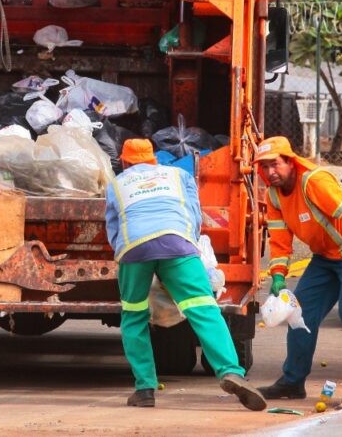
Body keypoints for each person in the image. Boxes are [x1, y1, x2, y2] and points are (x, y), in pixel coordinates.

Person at [105, 138, 266, 411]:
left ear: (124, 162)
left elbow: (113, 227)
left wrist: (126, 253)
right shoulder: (178, 174)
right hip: (177, 242)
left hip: (135, 247)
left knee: (134, 316)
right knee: (204, 309)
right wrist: (186, 247)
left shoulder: (117, 183)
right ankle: (230, 371)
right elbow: (193, 215)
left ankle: (144, 389)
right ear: (154, 160)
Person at [253, 136, 342, 403]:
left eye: (275, 164)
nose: (270, 172)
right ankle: (293, 382)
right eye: (264, 167)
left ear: (290, 162)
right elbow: (279, 242)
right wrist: (277, 276)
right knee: (298, 313)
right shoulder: (274, 195)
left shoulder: (315, 182)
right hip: (325, 258)